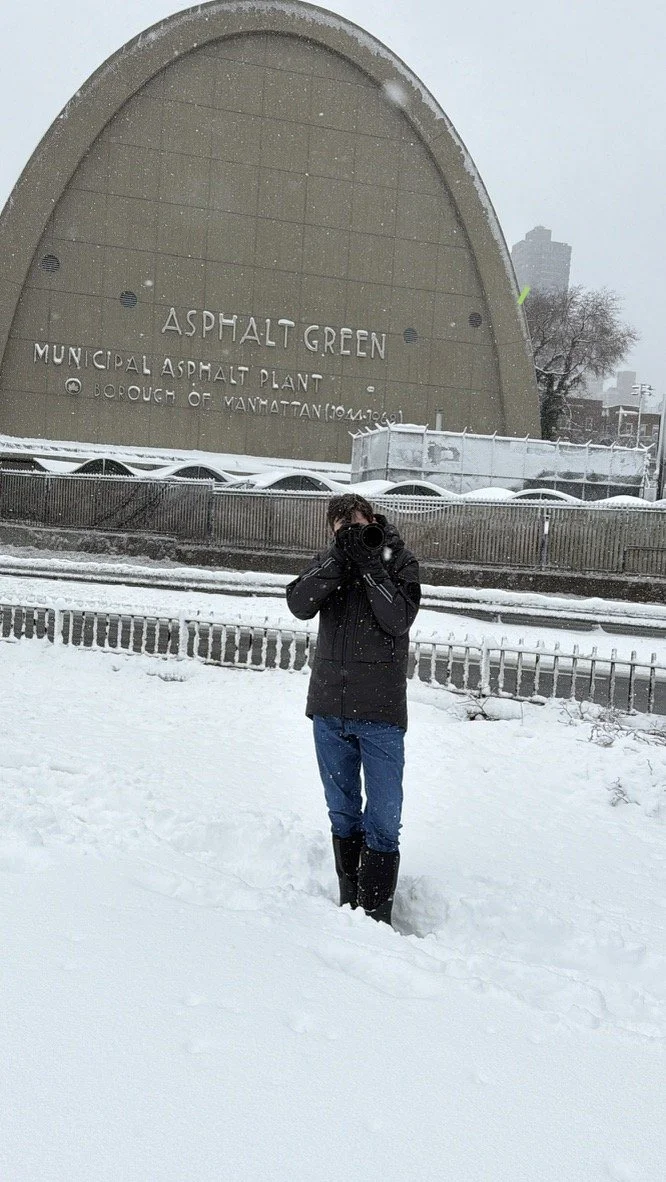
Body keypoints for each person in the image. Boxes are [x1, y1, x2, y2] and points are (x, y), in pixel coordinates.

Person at [286, 493, 421, 925]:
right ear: (332, 530)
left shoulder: (399, 561)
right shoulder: (331, 561)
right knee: (342, 813)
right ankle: (350, 906)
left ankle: (374, 915)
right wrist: (338, 561)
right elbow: (298, 604)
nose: (349, 533)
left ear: (372, 519)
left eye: (356, 524)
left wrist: (370, 564)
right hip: (329, 707)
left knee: (383, 819)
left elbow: (398, 618)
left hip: (380, 712)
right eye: (340, 528)